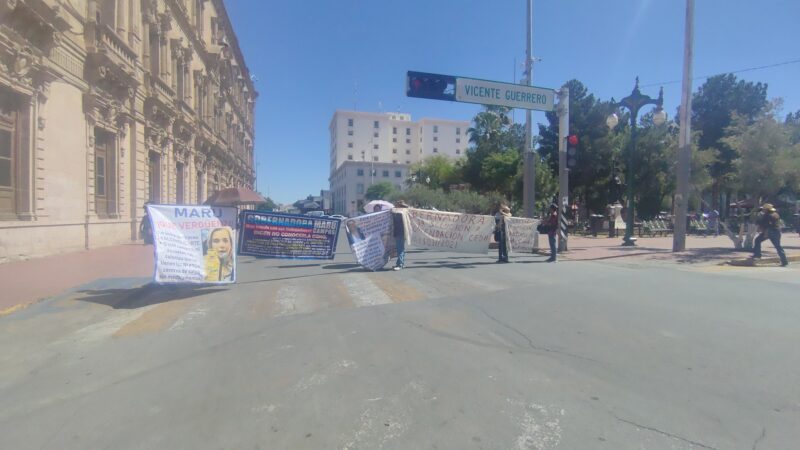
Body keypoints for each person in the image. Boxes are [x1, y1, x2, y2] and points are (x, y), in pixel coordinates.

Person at [391, 200, 411, 270]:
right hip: (400, 233)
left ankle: (400, 264)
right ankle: (399, 263)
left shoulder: (399, 213)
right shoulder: (403, 212)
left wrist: (402, 205)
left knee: (400, 249)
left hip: (400, 233)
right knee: (401, 248)